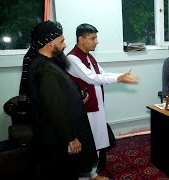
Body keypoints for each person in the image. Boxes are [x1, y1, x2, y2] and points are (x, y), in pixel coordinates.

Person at [18, 20, 98, 180]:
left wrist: (76, 99)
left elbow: (58, 95)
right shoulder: (45, 69)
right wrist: (71, 138)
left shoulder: (49, 63)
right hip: (58, 138)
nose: (65, 45)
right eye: (61, 41)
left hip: (58, 134)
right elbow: (53, 107)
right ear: (49, 44)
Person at [66, 23, 139, 180]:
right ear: (81, 39)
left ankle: (93, 173)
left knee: (97, 141)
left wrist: (120, 76)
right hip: (85, 110)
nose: (96, 41)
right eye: (93, 38)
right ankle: (83, 175)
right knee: (87, 144)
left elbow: (103, 74)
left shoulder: (89, 57)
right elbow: (91, 78)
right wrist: (119, 78)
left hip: (96, 108)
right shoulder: (72, 58)